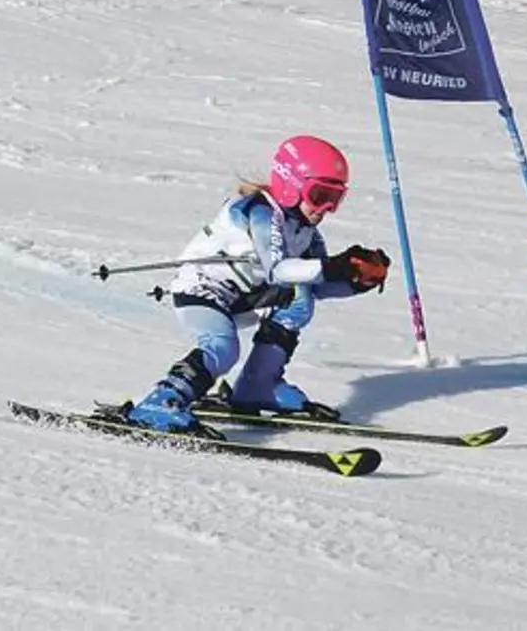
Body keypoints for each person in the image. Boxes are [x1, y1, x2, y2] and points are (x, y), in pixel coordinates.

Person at [119, 135, 393, 435]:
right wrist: (332, 266)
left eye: (335, 198)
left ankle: (257, 386)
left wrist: (356, 280)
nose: (325, 208)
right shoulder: (261, 213)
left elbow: (315, 283)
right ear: (292, 184)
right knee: (223, 347)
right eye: (319, 194)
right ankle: (162, 402)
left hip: (242, 296)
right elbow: (279, 270)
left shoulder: (304, 230)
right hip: (201, 292)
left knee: (299, 300)